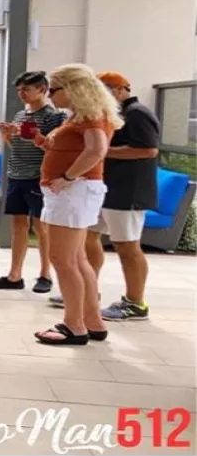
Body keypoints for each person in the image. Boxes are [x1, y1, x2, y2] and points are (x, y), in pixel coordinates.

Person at [50, 72, 159, 321]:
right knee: (87, 239)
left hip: (127, 190)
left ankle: (135, 302)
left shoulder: (137, 113)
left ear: (122, 89)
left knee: (127, 246)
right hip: (103, 188)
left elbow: (148, 150)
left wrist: (99, 153)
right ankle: (89, 290)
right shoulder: (106, 114)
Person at [31, 64, 121, 345]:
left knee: (62, 259)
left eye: (54, 90)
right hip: (76, 191)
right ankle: (92, 322)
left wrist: (68, 177)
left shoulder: (91, 117)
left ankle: (73, 325)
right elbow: (72, 148)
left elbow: (96, 150)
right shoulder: (81, 117)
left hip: (74, 192)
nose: (50, 96)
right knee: (78, 259)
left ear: (73, 89)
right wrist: (43, 143)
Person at [0, 71, 65, 294]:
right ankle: (14, 275)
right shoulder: (20, 115)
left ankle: (45, 274)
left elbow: (55, 148)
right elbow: (16, 147)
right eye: (19, 90)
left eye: (26, 89)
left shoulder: (54, 117)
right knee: (18, 225)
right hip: (16, 174)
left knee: (41, 227)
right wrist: (8, 135)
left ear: (42, 90)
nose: (22, 94)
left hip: (38, 176)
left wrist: (34, 137)